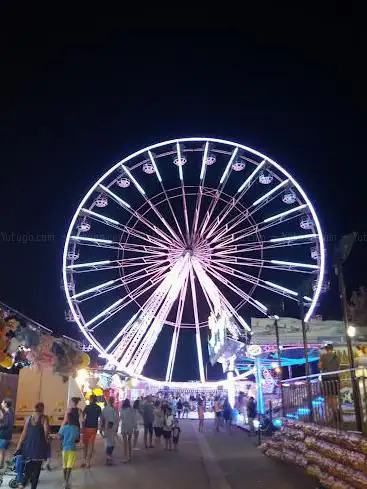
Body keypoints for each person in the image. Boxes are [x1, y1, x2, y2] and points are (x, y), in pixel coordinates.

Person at [15, 402, 49, 489]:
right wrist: (47, 442)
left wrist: (18, 447)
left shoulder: (28, 419)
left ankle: (23, 483)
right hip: (39, 447)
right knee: (37, 469)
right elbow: (46, 433)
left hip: (29, 446)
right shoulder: (44, 418)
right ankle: (32, 486)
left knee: (29, 466)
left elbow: (23, 433)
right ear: (42, 409)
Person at [319, 343, 341, 423]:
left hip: (326, 378)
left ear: (326, 349)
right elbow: (338, 367)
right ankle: (337, 413)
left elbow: (320, 367)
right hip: (335, 378)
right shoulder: (337, 357)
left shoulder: (323, 356)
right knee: (334, 396)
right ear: (332, 348)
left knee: (328, 396)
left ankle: (332, 414)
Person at [59, 412, 80, 489]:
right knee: (69, 467)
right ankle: (67, 482)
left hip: (64, 449)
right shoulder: (76, 428)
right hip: (72, 449)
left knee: (64, 466)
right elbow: (77, 439)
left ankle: (65, 481)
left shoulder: (63, 428)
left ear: (67, 419)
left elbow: (60, 437)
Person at [82, 394, 102, 468]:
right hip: (94, 428)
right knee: (91, 445)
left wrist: (82, 424)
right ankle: (88, 462)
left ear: (90, 399)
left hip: (86, 427)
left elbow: (82, 416)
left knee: (85, 445)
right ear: (96, 400)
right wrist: (101, 428)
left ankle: (84, 460)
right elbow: (101, 418)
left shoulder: (87, 407)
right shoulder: (98, 408)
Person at [0, 398, 14, 469]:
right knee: (2, 450)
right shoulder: (9, 412)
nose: (1, 403)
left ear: (5, 404)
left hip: (4, 434)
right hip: (7, 434)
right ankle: (1, 464)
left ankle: (1, 464)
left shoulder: (7, 413)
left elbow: (6, 424)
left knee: (2, 450)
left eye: (2, 402)